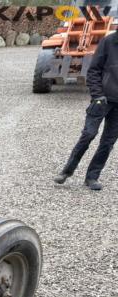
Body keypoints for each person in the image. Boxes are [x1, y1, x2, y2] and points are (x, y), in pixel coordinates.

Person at [54, 32, 118, 191]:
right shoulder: (108, 42)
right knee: (89, 134)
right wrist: (98, 95)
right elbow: (93, 70)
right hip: (101, 100)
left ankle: (92, 177)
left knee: (108, 142)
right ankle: (66, 171)